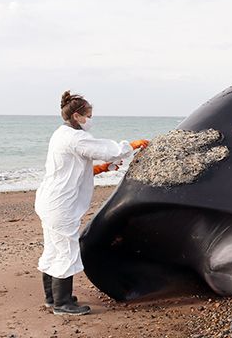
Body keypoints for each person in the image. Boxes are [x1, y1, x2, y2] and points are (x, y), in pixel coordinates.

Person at [35, 91, 149, 315]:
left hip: (49, 200)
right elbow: (107, 150)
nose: (90, 119)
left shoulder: (61, 134)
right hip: (60, 205)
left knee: (53, 249)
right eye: (88, 115)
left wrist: (100, 169)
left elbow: (71, 169)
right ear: (77, 116)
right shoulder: (76, 138)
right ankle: (62, 303)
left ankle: (52, 297)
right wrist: (131, 145)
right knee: (66, 250)